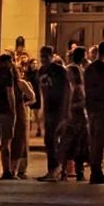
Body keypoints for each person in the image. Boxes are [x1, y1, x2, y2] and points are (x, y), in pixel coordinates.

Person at [83, 40, 104, 184]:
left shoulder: (89, 68)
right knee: (100, 140)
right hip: (103, 108)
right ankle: (96, 171)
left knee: (94, 138)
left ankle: (95, 169)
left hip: (91, 107)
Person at [36, 45, 68, 181]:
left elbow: (66, 90)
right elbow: (42, 91)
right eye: (41, 56)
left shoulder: (60, 71)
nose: (43, 59)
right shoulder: (41, 70)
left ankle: (58, 168)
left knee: (54, 139)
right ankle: (53, 169)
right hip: (48, 107)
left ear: (51, 56)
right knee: (49, 140)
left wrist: (65, 111)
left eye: (45, 56)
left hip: (58, 108)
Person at [58, 47, 88, 181]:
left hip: (77, 112)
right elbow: (76, 91)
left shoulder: (75, 69)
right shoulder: (74, 70)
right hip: (74, 113)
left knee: (77, 142)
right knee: (71, 141)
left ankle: (73, 170)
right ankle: (66, 170)